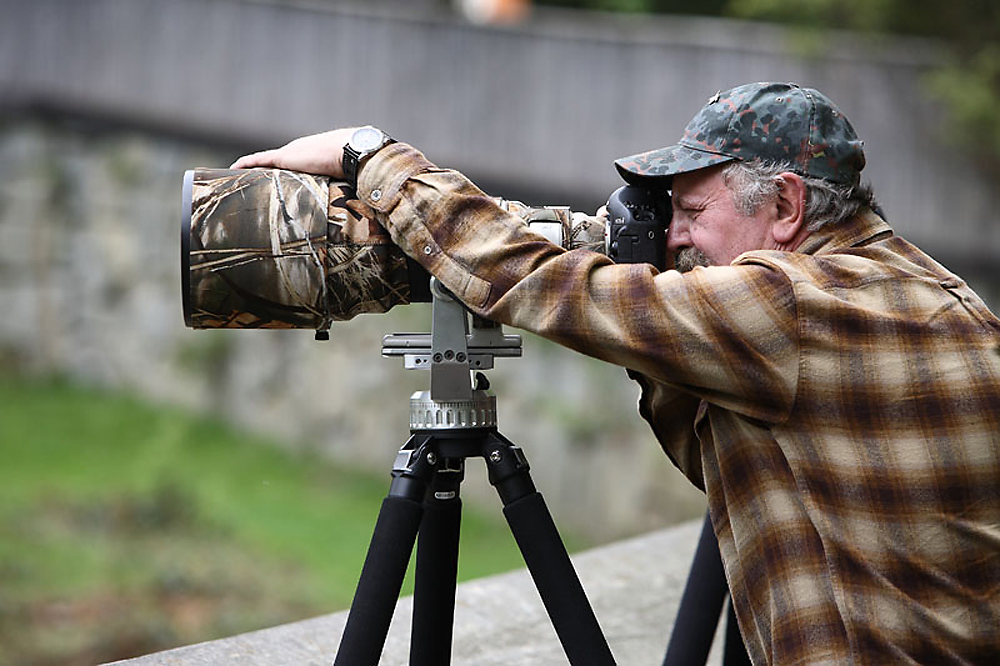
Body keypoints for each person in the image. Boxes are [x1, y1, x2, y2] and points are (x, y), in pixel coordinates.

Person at [232, 82, 1000, 664]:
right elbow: (725, 456)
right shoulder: (910, 288)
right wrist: (658, 314)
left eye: (692, 212)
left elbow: (546, 288)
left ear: (787, 207)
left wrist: (371, 157)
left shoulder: (792, 307)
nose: (674, 239)